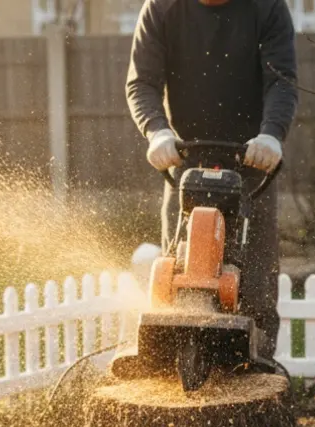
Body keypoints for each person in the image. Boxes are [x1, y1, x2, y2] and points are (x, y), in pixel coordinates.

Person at [126, 0, 298, 358]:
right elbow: (142, 83)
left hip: (253, 166)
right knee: (174, 277)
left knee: (255, 288)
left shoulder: (266, 8)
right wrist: (157, 132)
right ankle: (173, 377)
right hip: (185, 163)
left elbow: (281, 81)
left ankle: (256, 383)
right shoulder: (162, 8)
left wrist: (271, 135)